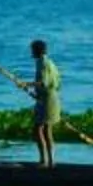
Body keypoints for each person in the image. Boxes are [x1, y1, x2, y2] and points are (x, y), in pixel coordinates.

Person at [23, 37, 63, 170]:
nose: (31, 52)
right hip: (51, 98)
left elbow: (43, 82)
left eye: (32, 49)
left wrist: (26, 84)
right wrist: (31, 91)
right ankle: (51, 161)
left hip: (47, 99)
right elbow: (55, 83)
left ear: (36, 50)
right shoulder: (50, 62)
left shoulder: (42, 63)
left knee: (38, 129)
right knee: (46, 128)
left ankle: (43, 161)